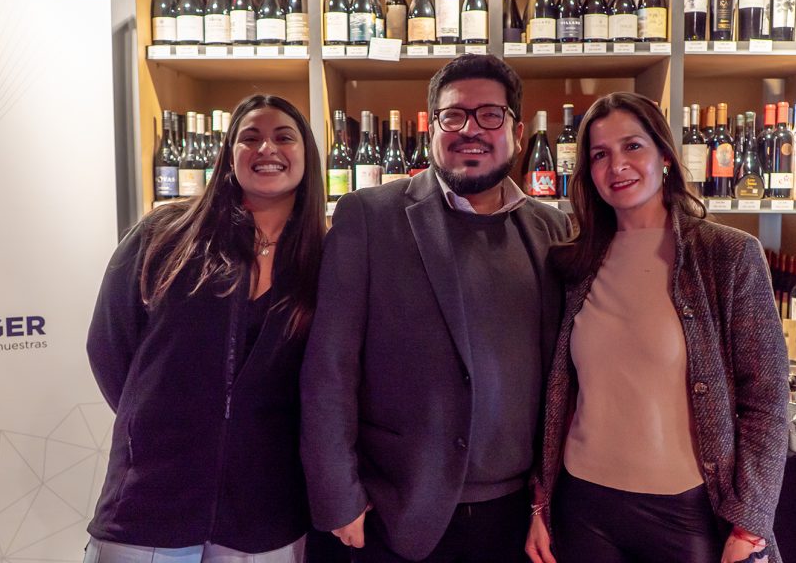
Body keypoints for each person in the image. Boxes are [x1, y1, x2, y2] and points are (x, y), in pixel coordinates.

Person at [300, 54, 571, 563]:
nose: (471, 129)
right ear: (432, 129)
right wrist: (338, 496)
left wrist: (545, 497)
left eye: (490, 115)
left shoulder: (550, 229)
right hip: (395, 512)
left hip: (516, 518)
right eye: (454, 115)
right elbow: (329, 369)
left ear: (516, 131)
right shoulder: (369, 217)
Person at [525, 92, 789, 563]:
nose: (617, 166)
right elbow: (558, 396)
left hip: (686, 514)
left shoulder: (727, 255)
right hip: (583, 507)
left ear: (664, 155)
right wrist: (541, 503)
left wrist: (749, 524)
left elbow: (766, 399)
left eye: (632, 146)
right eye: (600, 155)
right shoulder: (574, 262)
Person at [85, 94, 325, 563]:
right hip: (148, 505)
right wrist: (160, 423)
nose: (267, 149)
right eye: (250, 138)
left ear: (306, 155)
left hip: (266, 513)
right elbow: (109, 347)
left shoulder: (325, 260)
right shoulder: (164, 234)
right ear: (229, 155)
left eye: (284, 137)